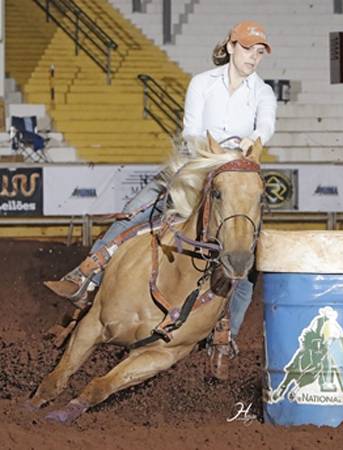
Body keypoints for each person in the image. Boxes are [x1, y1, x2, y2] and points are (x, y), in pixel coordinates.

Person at [45, 20, 276, 378]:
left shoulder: (263, 92)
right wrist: (214, 157)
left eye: (259, 52)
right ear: (231, 47)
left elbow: (266, 127)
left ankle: (223, 335)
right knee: (135, 211)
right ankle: (88, 272)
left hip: (235, 180)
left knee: (247, 261)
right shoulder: (202, 83)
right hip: (195, 166)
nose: (253, 57)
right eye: (248, 49)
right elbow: (191, 130)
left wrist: (251, 142)